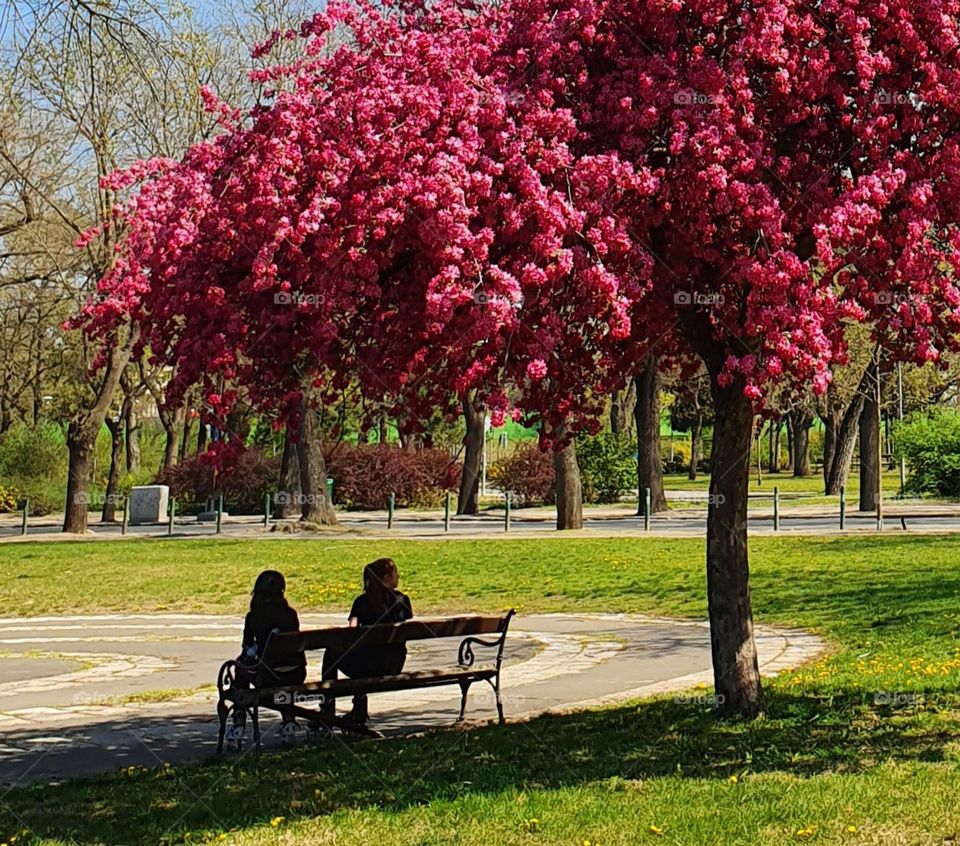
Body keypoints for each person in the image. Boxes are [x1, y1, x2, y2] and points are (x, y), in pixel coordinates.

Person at [321, 557, 413, 727]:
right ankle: (358, 708)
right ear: (386, 578)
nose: (398, 577)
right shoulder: (403, 601)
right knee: (366, 656)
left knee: (333, 653)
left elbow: (352, 631)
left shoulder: (362, 602)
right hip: (394, 664)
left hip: (366, 667)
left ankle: (328, 706)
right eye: (396, 574)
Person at [227, 569, 306, 748]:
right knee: (283, 678)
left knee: (240, 667)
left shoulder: (254, 617)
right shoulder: (290, 614)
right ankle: (288, 719)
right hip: (295, 672)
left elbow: (247, 647)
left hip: (269, 676)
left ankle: (239, 721)